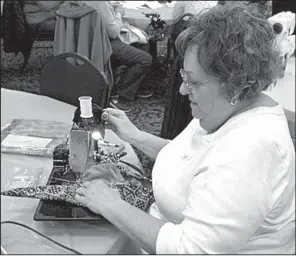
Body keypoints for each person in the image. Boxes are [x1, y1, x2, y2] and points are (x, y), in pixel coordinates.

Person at [75, 3, 295, 254]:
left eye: (193, 82)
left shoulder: (253, 150)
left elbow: (190, 249)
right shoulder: (226, 107)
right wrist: (135, 136)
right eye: (184, 77)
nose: (182, 90)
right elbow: (193, 159)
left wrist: (111, 204)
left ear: (236, 85)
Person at [85, 1, 153, 111]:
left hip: (89, 40)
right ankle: (120, 94)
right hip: (104, 42)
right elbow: (113, 32)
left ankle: (133, 86)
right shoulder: (101, 3)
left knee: (142, 44)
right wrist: (118, 14)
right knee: (145, 59)